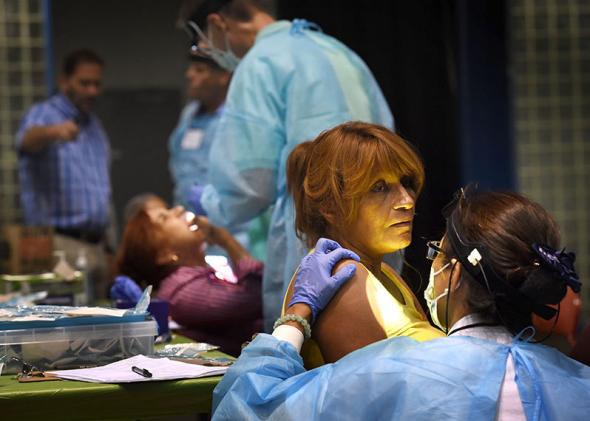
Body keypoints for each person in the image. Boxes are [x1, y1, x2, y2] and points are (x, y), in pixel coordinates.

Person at [211, 190, 590, 420]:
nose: (405, 202)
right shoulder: (577, 385)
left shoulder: (395, 376)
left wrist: (294, 319)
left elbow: (246, 410)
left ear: (454, 275)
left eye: (436, 254)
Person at [182, 0, 398, 330]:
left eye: (203, 43)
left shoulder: (260, 64)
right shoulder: (339, 51)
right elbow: (387, 141)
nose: (210, 53)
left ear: (218, 23)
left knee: (314, 354)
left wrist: (214, 203)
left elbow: (250, 182)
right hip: (380, 231)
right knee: (383, 335)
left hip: (316, 239)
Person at [283, 122, 444, 367]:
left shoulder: (385, 274)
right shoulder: (343, 275)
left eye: (406, 182)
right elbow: (375, 398)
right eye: (379, 188)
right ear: (330, 207)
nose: (407, 201)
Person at [15, 49, 113, 301]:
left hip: (96, 246)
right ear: (65, 81)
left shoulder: (94, 126)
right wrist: (53, 132)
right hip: (58, 245)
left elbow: (103, 190)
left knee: (98, 329)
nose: (92, 90)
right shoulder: (45, 113)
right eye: (84, 83)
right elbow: (26, 141)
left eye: (97, 84)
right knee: (62, 331)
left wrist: (111, 245)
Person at [116, 205, 262, 356]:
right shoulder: (181, 290)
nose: (179, 209)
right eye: (164, 218)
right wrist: (226, 241)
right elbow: (259, 296)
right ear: (164, 254)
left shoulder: (191, 278)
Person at [168, 53, 269, 259]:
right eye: (190, 68)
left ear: (223, 75)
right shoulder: (189, 116)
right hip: (190, 229)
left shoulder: (239, 118)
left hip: (232, 233)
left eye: (199, 70)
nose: (189, 75)